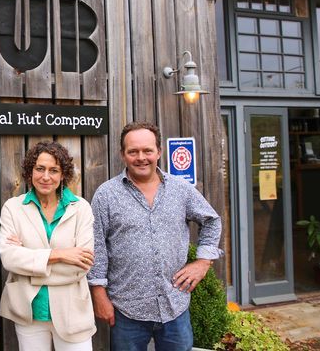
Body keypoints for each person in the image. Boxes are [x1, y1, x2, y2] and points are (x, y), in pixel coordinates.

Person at [87, 121, 222, 351]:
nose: (141, 157)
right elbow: (96, 245)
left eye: (147, 150)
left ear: (158, 152)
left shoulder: (181, 189)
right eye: (133, 151)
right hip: (126, 310)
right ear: (123, 154)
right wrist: (98, 293)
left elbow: (212, 220)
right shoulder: (106, 195)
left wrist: (203, 262)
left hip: (175, 306)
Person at [0, 141, 96, 351]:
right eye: (40, 169)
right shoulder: (13, 208)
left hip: (72, 312)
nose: (45, 176)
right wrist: (60, 254)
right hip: (30, 312)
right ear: (30, 171)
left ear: (63, 175)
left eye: (54, 170)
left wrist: (29, 263)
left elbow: (82, 265)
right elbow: (9, 258)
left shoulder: (80, 208)